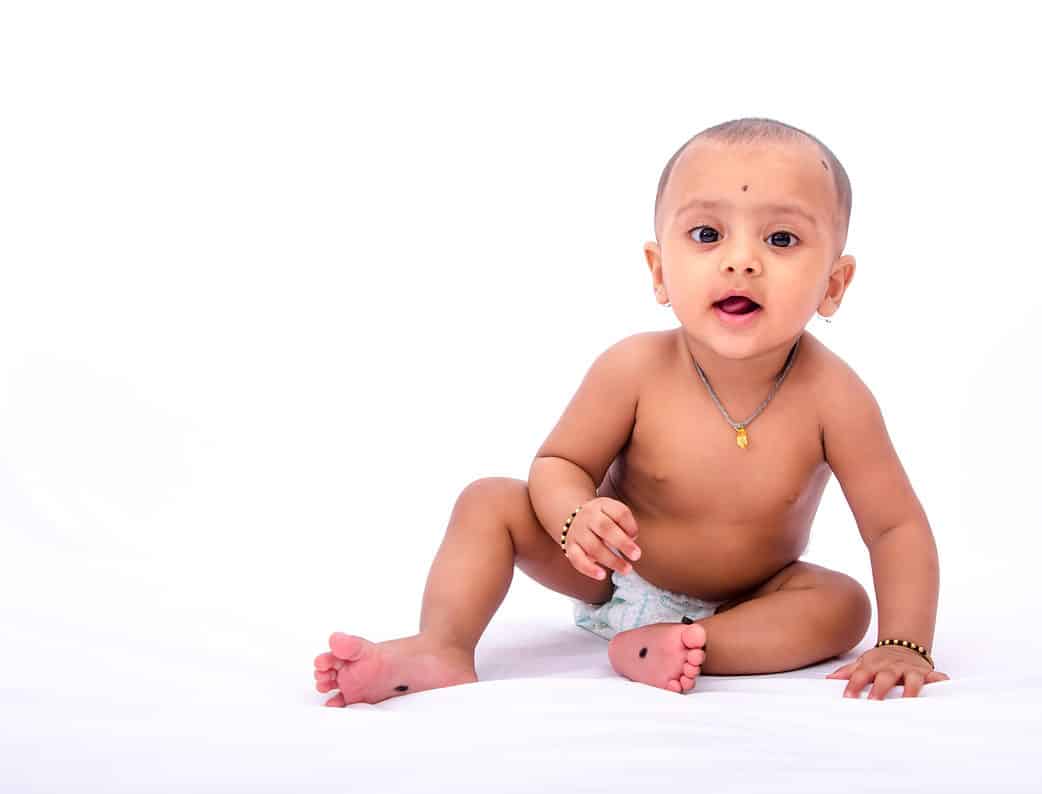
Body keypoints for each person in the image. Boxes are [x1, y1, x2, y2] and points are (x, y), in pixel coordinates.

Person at [312, 117, 950, 705]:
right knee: (489, 500)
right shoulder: (634, 368)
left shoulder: (835, 396)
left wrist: (904, 642)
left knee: (843, 605)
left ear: (834, 284)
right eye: (706, 234)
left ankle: (681, 646)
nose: (741, 260)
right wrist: (573, 518)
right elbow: (560, 461)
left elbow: (894, 528)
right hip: (614, 571)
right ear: (659, 270)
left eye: (781, 238)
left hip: (755, 595)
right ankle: (441, 646)